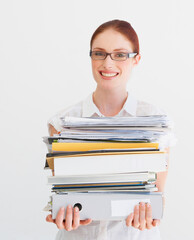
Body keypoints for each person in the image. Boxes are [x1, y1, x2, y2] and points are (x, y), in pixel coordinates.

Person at [46, 19, 169, 240]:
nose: (108, 63)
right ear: (91, 57)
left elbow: (157, 194)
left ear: (136, 59)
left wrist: (150, 215)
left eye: (120, 54)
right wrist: (63, 215)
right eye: (99, 53)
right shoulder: (62, 123)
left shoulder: (155, 122)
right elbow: (64, 194)